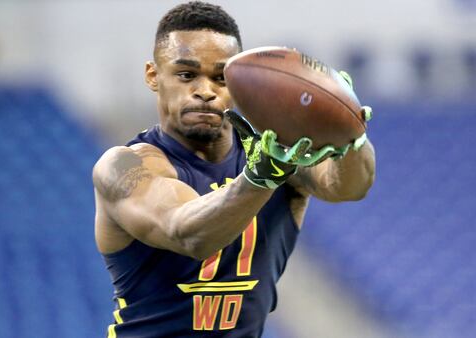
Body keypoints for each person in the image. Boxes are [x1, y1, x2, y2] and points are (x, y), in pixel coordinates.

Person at [92, 1, 375, 337]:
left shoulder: (278, 152)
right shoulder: (123, 166)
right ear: (154, 76)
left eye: (220, 78)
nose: (205, 91)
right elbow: (187, 233)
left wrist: (349, 136)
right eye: (186, 75)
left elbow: (348, 187)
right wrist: (261, 177)